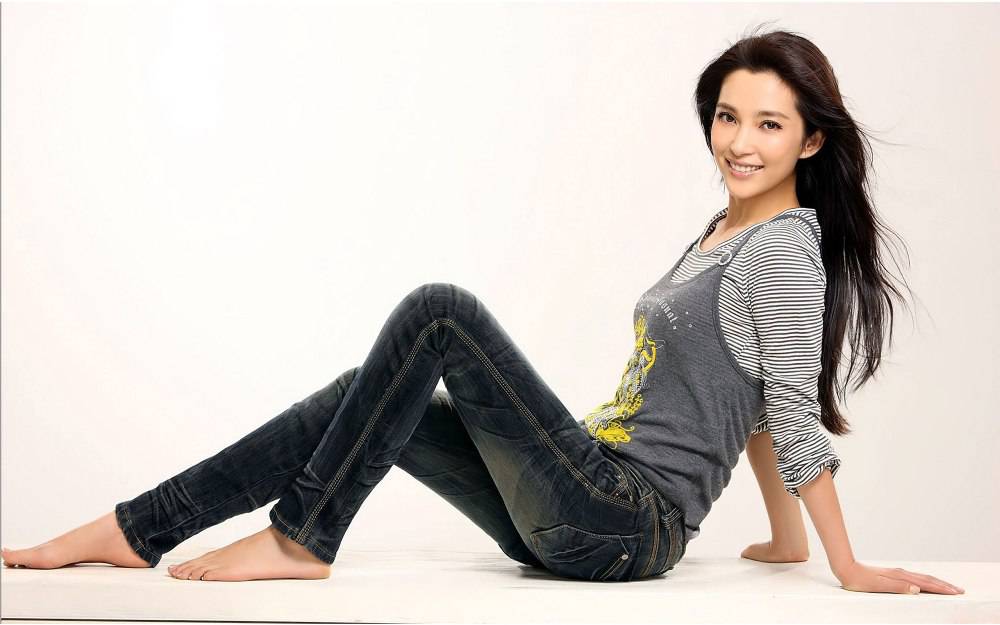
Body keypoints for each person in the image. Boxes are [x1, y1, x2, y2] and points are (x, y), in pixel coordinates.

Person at [1, 25, 965, 595]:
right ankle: (139, 527)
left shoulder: (785, 250)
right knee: (369, 392)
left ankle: (301, 536)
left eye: (768, 124)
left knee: (440, 312)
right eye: (726, 116)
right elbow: (741, 392)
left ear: (809, 141)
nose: (739, 142)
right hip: (587, 499)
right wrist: (784, 541)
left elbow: (787, 407)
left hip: (622, 521)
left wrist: (845, 564)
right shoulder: (725, 229)